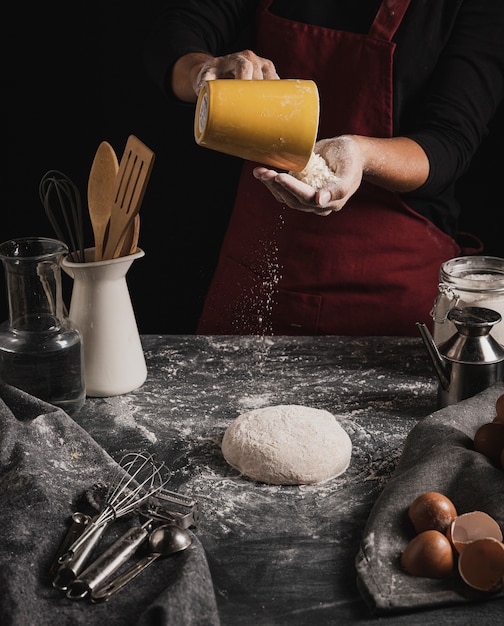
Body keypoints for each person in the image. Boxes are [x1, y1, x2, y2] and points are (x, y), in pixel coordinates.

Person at [143, 0, 504, 336]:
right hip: (256, 265)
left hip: (388, 289)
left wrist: (360, 153)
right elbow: (176, 32)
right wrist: (202, 73)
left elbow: (450, 141)